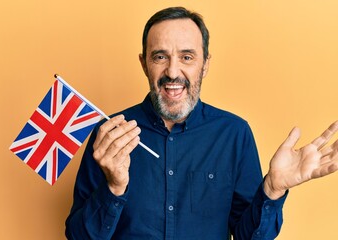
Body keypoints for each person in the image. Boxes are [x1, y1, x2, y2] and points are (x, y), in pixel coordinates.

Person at [65, 6, 338, 240]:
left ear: (205, 64)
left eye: (187, 57)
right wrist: (114, 187)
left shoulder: (234, 134)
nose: (173, 72)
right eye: (160, 57)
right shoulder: (111, 134)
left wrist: (273, 190)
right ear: (144, 64)